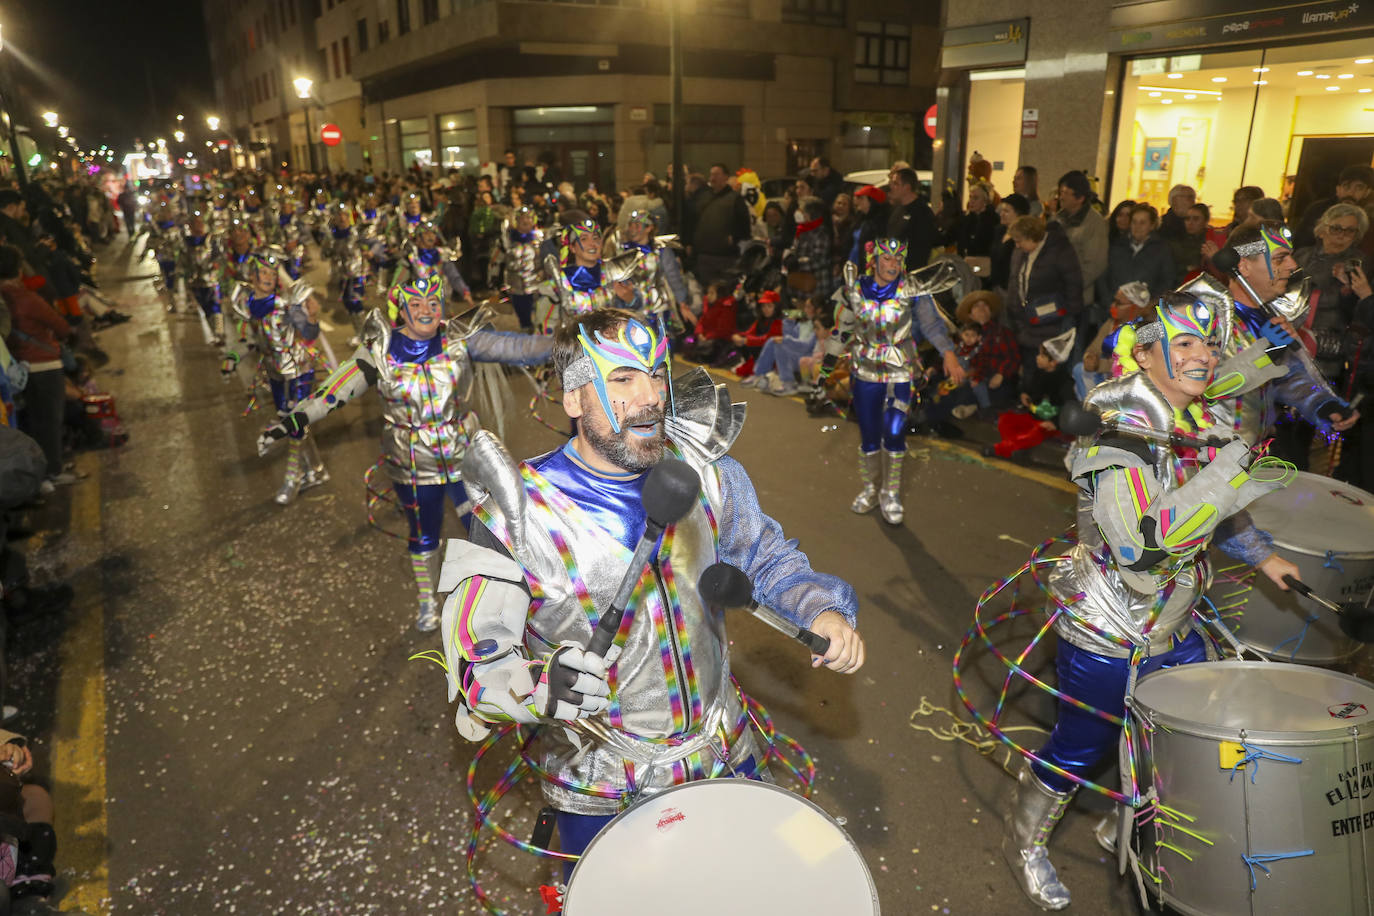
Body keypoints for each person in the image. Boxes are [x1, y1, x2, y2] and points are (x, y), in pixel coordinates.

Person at [433, 308, 864, 884]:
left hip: (723, 755)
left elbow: (766, 557)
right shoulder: (517, 514)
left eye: (656, 373)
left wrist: (822, 609)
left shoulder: (706, 475)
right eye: (623, 379)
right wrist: (536, 687)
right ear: (572, 398)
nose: (651, 397)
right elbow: (477, 661)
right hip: (603, 791)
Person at [1000, 293, 1298, 910]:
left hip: (1174, 624)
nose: (1203, 356)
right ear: (1145, 353)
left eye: (1210, 343)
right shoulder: (1119, 438)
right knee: (1081, 747)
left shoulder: (1199, 420)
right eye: (1185, 343)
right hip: (1109, 631)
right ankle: (1023, 841)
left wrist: (1265, 556)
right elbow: (1142, 555)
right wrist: (1231, 473)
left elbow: (1219, 509)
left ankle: (1126, 827)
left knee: (1168, 741)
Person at [258, 276, 553, 631]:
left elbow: (518, 348)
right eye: (416, 304)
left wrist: (573, 343)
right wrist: (289, 423)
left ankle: (500, 596)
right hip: (412, 463)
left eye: (433, 303)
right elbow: (332, 393)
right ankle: (428, 600)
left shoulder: (460, 339)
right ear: (401, 309)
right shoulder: (379, 351)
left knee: (487, 525)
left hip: (465, 456)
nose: (426, 310)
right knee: (423, 532)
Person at [827, 239, 963, 524]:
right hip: (864, 374)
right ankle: (870, 489)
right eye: (887, 259)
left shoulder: (912, 289)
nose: (893, 264)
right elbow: (841, 328)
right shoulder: (855, 288)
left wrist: (948, 353)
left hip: (900, 373)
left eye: (898, 260)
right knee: (868, 435)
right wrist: (827, 365)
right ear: (873, 261)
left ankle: (890, 494)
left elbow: (931, 324)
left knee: (894, 432)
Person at [1202, 222, 1358, 445]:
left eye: (1291, 257)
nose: (1293, 265)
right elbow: (1206, 388)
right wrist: (1266, 354)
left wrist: (1322, 404)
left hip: (1251, 454)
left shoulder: (1271, 316)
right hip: (1208, 456)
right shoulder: (1206, 317)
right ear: (1243, 267)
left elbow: (1286, 375)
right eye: (1279, 258)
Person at [221, 248, 329, 505]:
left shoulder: (286, 306)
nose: (269, 277)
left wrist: (311, 316)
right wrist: (233, 359)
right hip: (276, 373)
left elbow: (310, 333)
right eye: (263, 273)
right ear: (253, 276)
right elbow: (248, 341)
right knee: (296, 423)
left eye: (272, 273)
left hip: (299, 371)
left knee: (293, 425)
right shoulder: (249, 307)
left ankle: (293, 479)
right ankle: (317, 469)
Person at [1, 247, 73, 488]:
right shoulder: (27, 298)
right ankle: (52, 471)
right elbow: (60, 325)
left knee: (32, 423)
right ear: (19, 271)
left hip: (16, 370)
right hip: (44, 365)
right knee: (50, 422)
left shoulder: (3, 300)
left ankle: (37, 474)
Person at [1004, 215, 1083, 368]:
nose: (1017, 245)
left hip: (1052, 321)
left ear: (1032, 237)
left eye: (1019, 241)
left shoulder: (1060, 250)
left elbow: (1073, 283)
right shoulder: (1019, 254)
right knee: (1028, 366)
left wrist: (1070, 317)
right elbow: (1014, 283)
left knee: (1047, 369)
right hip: (1024, 322)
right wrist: (1013, 312)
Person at [984, 328, 1075, 461]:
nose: (1037, 358)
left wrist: (1055, 422)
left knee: (1035, 433)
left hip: (1050, 422)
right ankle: (1017, 448)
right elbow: (1030, 390)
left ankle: (1000, 449)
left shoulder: (1064, 381)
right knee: (1006, 419)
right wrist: (1024, 394)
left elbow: (1069, 405)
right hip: (1033, 415)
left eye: (1042, 356)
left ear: (1053, 362)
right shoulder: (1038, 372)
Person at [545, 210, 641, 322]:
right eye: (584, 239)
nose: (592, 244)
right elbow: (549, 321)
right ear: (572, 248)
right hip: (575, 338)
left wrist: (631, 300)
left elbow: (635, 309)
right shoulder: (560, 279)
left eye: (595, 238)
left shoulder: (615, 271)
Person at [606, 207, 688, 330]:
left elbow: (674, 277)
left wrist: (682, 303)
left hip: (656, 309)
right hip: (630, 310)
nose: (632, 229)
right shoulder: (622, 250)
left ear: (649, 228)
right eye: (630, 225)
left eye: (637, 225)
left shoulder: (660, 250)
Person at [1075, 280, 1150, 399]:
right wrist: (1089, 357)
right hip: (1107, 372)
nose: (1113, 306)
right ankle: (1093, 409)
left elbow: (1130, 363)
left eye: (1118, 303)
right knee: (1080, 369)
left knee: (1083, 372)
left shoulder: (1142, 330)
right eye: (1113, 301)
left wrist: (1099, 365)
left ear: (1134, 307)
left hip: (1128, 379)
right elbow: (1094, 347)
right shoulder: (1111, 323)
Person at [1051, 171, 1108, 319]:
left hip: (1076, 298)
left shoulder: (1094, 223)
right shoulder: (1058, 218)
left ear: (1080, 197)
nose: (1060, 197)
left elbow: (1095, 264)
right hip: (1053, 295)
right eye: (1060, 191)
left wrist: (1070, 286)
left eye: (1065, 192)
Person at [687, 164, 751, 288]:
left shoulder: (735, 199)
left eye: (716, 174)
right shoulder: (703, 197)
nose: (712, 178)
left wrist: (734, 238)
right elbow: (692, 220)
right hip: (704, 255)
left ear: (725, 177)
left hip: (725, 257)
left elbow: (744, 226)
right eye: (711, 175)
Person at [1097, 203, 1176, 304]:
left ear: (1152, 225)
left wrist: (1148, 302)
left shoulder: (1162, 249)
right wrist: (1110, 299)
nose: (1137, 226)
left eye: (1142, 223)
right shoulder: (1117, 246)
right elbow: (1103, 277)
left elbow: (1167, 281)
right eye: (1134, 222)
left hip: (1145, 309)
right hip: (1115, 306)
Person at [1294, 164, 1374, 251]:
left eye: (1359, 188)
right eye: (1346, 186)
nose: (1351, 193)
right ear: (1338, 189)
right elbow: (1300, 241)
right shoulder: (1318, 210)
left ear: (1367, 192)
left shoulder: (1368, 217)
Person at [490, 205, 544, 331]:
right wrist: (493, 278)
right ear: (516, 221)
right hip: (515, 284)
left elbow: (548, 259)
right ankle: (526, 329)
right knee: (522, 312)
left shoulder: (540, 238)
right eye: (522, 218)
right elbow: (496, 260)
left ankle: (539, 331)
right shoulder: (507, 240)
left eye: (529, 218)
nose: (526, 221)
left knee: (540, 312)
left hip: (537, 283)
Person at [885, 168, 938, 271]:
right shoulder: (897, 210)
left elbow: (922, 248)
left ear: (907, 187)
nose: (891, 187)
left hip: (911, 272)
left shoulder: (922, 212)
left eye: (896, 184)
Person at [989, 193, 1031, 293]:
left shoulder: (1023, 237)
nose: (1001, 214)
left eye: (1006, 211)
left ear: (1018, 214)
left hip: (1011, 288)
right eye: (1002, 210)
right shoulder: (999, 231)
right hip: (995, 285)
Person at [956, 181, 1000, 258]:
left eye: (975, 198)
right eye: (970, 197)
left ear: (985, 201)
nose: (971, 201)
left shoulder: (993, 220)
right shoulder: (967, 219)